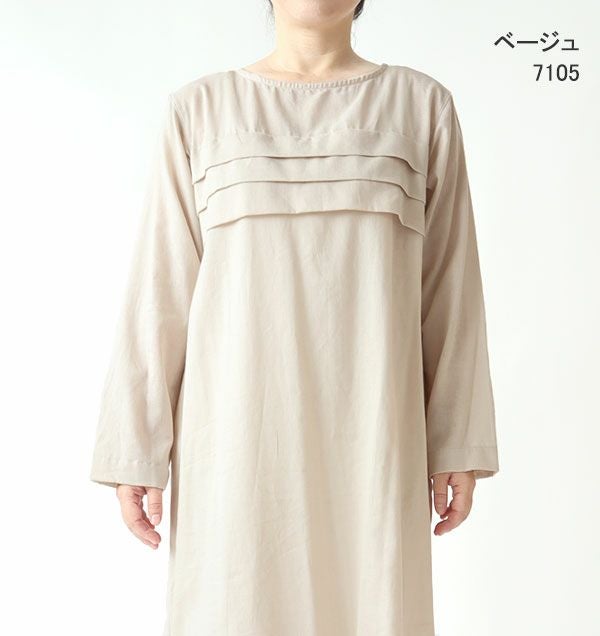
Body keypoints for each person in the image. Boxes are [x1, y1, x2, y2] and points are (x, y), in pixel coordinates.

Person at [89, 1, 500, 634]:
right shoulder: (200, 112)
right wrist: (135, 447)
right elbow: (160, 287)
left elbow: (451, 287)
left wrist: (457, 441)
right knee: (237, 605)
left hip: (376, 436)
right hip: (237, 442)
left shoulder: (421, 108)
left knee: (372, 605)